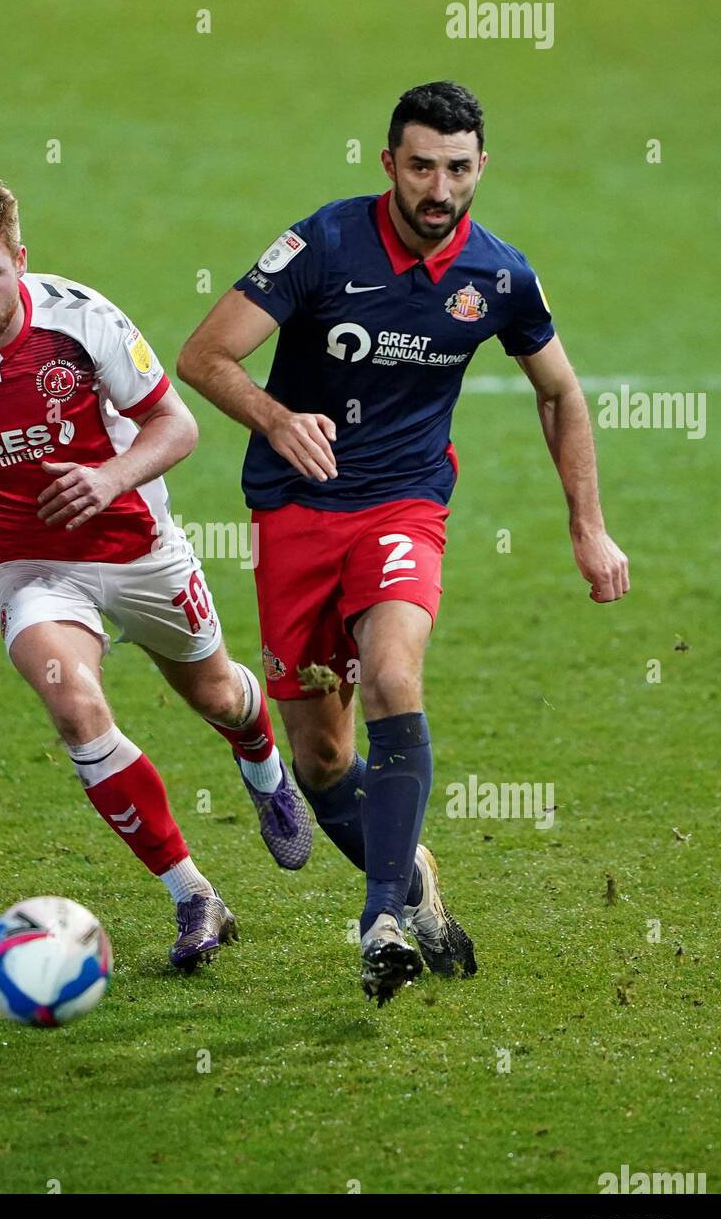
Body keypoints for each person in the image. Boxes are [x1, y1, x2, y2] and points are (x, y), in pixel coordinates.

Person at [177, 82, 630, 1004]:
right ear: (388, 164)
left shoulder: (500, 277)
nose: (439, 187)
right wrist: (273, 416)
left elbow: (560, 392)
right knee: (322, 760)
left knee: (392, 678)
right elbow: (203, 355)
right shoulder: (323, 244)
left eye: (458, 169)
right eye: (421, 166)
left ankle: (379, 916)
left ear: (480, 169)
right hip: (296, 513)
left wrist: (588, 528)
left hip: (403, 508)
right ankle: (413, 885)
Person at [0, 178, 312, 972]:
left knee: (217, 695)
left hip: (137, 547)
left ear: (19, 259)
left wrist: (110, 478)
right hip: (26, 566)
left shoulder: (82, 320)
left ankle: (262, 763)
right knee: (73, 705)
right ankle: (193, 895)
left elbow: (178, 424)